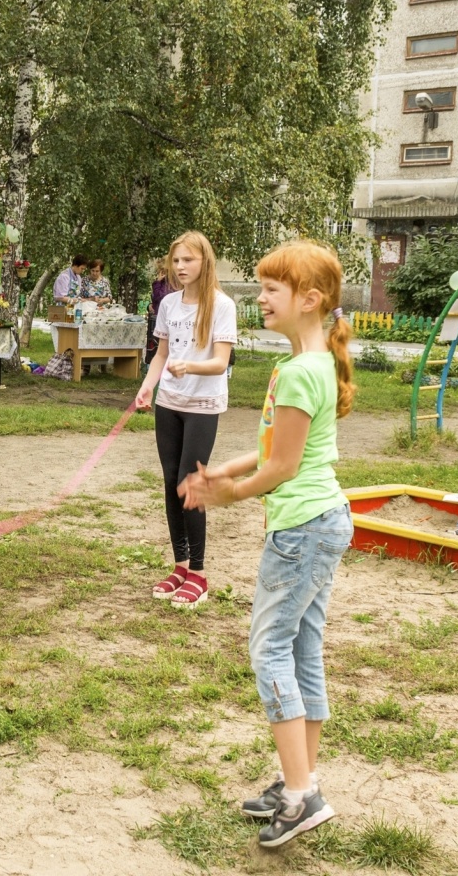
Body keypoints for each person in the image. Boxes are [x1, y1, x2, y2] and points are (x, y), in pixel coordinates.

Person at [177, 240, 355, 848]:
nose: (261, 298)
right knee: (302, 650)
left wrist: (228, 495)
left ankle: (302, 796)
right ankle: (296, 779)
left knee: (270, 651)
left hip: (303, 528)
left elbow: (281, 468)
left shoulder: (303, 370)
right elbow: (275, 447)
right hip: (319, 521)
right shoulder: (307, 364)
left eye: (273, 289)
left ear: (310, 300)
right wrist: (223, 470)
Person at [134, 230, 239, 607]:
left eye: (188, 260)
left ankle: (199, 572)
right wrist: (147, 387)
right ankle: (180, 565)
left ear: (204, 262)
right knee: (168, 482)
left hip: (203, 407)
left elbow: (220, 362)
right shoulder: (169, 304)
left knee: (188, 483)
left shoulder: (221, 305)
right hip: (170, 404)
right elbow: (161, 354)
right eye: (176, 261)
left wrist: (188, 366)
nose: (180, 267)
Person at [145, 257, 173, 366]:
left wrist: (157, 283)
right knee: (155, 343)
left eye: (161, 270)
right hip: (158, 315)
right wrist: (150, 306)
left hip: (165, 317)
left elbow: (160, 297)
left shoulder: (169, 283)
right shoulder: (163, 282)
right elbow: (154, 300)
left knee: (160, 344)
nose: (160, 273)